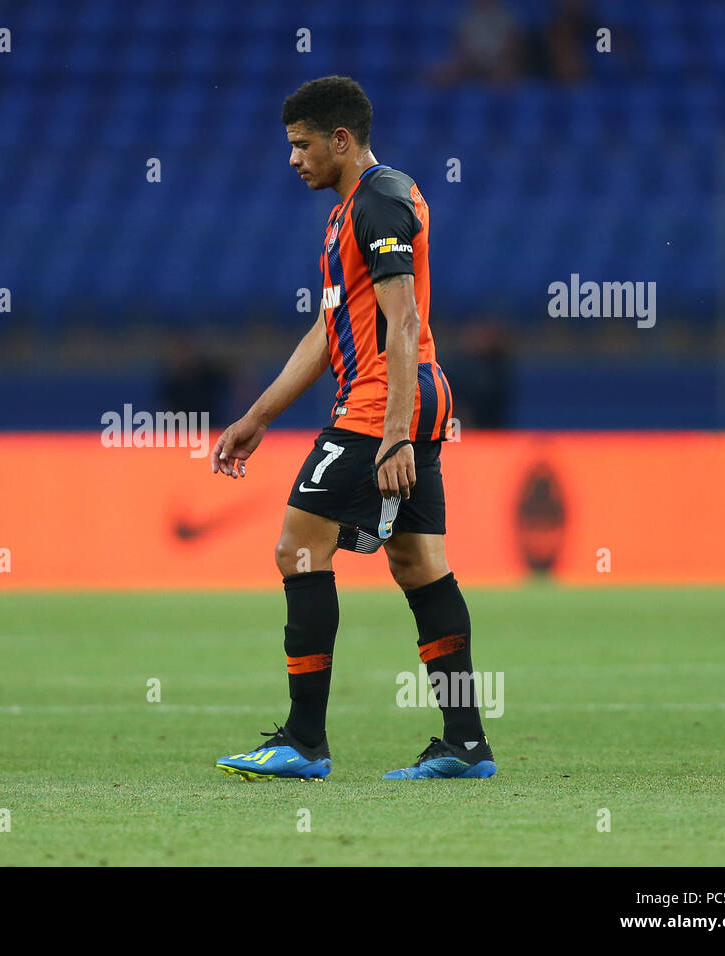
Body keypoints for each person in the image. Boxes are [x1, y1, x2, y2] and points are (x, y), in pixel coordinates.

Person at [212, 77, 495, 780]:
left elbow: (403, 321)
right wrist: (257, 417)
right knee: (418, 561)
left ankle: (304, 740)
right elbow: (325, 330)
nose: (293, 159)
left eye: (302, 144)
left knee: (297, 548)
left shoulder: (380, 202)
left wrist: (394, 431)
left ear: (341, 140)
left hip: (381, 405)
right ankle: (465, 744)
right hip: (408, 398)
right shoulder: (347, 216)